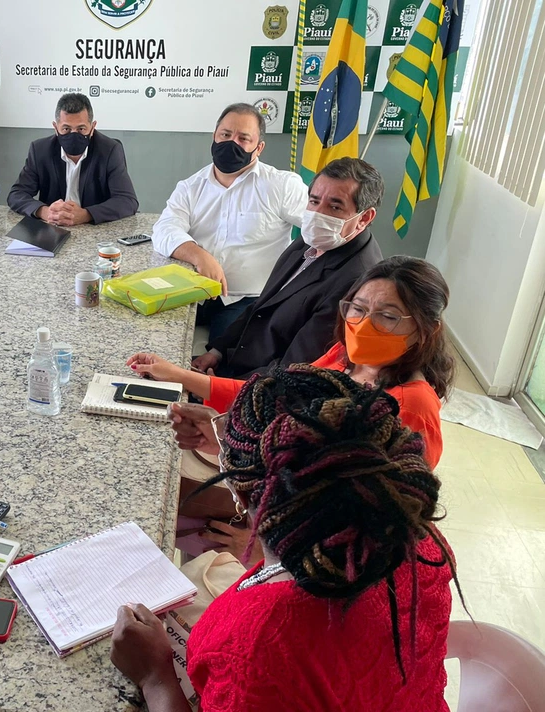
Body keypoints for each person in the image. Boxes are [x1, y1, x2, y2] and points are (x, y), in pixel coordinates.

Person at [111, 365, 462, 712]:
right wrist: (230, 441)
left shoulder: (253, 642)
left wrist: (155, 677)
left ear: (241, 492)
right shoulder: (422, 541)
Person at [132, 256, 453, 468]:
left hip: (296, 527)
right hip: (266, 472)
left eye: (388, 316)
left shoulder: (411, 407)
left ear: (425, 330)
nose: (364, 324)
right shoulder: (343, 357)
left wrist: (260, 544)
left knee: (158, 469)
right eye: (357, 308)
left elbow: (389, 511)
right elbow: (270, 396)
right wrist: (179, 376)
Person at [129, 157, 385, 385]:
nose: (317, 213)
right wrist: (216, 353)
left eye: (335, 207)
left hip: (259, 392)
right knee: (139, 371)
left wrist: (202, 385)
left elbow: (296, 372)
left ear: (364, 217)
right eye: (314, 201)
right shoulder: (312, 241)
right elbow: (261, 306)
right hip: (235, 364)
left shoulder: (357, 283)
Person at [151, 103, 308, 337]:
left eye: (243, 138)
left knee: (226, 356)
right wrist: (199, 256)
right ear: (215, 136)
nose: (232, 143)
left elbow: (320, 230)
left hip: (250, 299)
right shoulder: (190, 187)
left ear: (259, 147)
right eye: (225, 135)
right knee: (152, 334)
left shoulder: (282, 186)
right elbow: (164, 230)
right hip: (196, 291)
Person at [7, 92, 138, 226]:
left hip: (94, 230)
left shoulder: (109, 150)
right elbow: (16, 195)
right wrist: (45, 212)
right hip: (52, 229)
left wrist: (86, 214)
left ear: (92, 128)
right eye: (66, 129)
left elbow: (127, 201)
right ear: (56, 128)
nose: (73, 134)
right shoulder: (40, 150)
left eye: (81, 128)